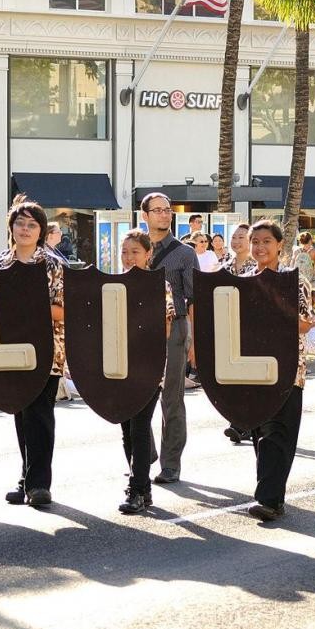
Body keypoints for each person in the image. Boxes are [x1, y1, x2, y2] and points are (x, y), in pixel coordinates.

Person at [0, 197, 66, 506]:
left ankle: (39, 484)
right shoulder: (1, 264)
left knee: (39, 416)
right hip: (10, 350)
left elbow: (62, 309)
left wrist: (24, 307)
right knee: (21, 415)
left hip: (46, 350)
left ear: (41, 231)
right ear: (11, 228)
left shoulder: (52, 263)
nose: (25, 229)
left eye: (32, 225)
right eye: (20, 223)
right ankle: (25, 478)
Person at [244, 220, 315, 521]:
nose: (260, 247)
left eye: (266, 242)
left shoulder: (293, 280)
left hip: (287, 368)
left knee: (278, 433)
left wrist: (271, 307)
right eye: (255, 242)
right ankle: (273, 493)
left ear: (279, 246)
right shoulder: (243, 279)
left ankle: (269, 499)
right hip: (250, 368)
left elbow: (306, 321)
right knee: (260, 434)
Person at [116, 230, 176, 514]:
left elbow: (164, 329)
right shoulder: (112, 285)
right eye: (125, 251)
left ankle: (137, 488)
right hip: (118, 365)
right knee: (127, 428)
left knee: (140, 426)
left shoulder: (159, 286)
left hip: (147, 364)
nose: (128, 257)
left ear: (148, 254)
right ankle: (143, 486)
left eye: (134, 251)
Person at [142, 192, 199, 484]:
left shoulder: (185, 253)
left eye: (168, 210)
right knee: (136, 394)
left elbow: (194, 300)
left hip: (174, 327)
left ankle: (171, 463)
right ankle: (143, 455)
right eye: (158, 210)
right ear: (145, 216)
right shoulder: (135, 248)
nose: (164, 215)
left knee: (171, 397)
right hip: (139, 328)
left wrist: (193, 342)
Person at [222, 223, 259, 444]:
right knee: (233, 380)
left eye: (241, 237)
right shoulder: (224, 266)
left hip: (251, 331)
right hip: (229, 330)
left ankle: (246, 424)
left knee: (249, 379)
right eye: (234, 237)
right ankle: (237, 421)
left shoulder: (257, 267)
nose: (236, 241)